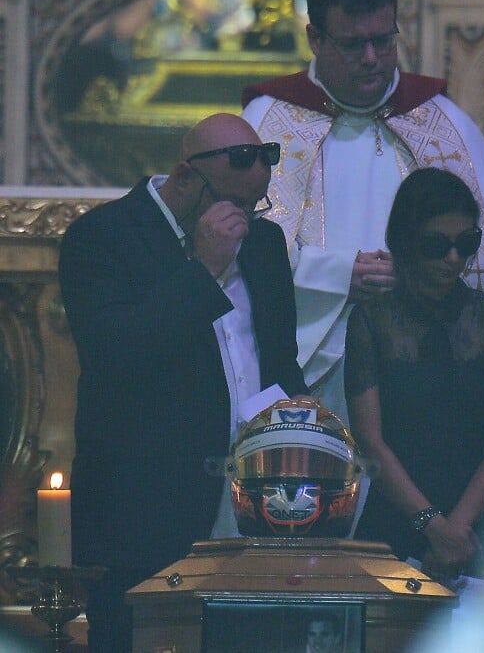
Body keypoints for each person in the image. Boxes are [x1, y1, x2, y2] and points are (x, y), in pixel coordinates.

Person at [241, 0, 484, 522]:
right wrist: (340, 275)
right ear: (314, 36)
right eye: (352, 44)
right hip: (314, 385)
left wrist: (417, 281)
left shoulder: (443, 125)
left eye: (383, 40)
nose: (372, 59)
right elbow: (240, 263)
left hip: (426, 393)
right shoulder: (270, 124)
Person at [58, 112, 308, 651]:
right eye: (235, 203)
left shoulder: (262, 244)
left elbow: (280, 360)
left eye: (254, 204)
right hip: (146, 506)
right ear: (185, 178)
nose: (245, 218)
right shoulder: (101, 238)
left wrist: (299, 429)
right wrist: (204, 268)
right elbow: (114, 354)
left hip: (251, 499)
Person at [344, 168, 484, 580]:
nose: (454, 259)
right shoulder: (371, 320)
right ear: (406, 241)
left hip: (477, 529)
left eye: (467, 244)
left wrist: (456, 529)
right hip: (395, 520)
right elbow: (370, 440)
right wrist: (432, 525)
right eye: (437, 245)